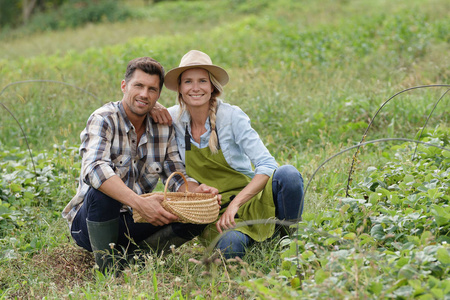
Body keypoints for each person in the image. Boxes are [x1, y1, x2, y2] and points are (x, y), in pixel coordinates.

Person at [62, 56, 219, 273]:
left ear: (158, 94)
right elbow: (94, 168)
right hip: (91, 222)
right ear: (124, 86)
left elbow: (176, 173)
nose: (145, 94)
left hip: (135, 219)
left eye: (152, 89)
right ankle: (108, 268)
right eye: (139, 86)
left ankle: (138, 259)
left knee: (197, 213)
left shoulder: (163, 128)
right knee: (104, 187)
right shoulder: (104, 119)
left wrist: (197, 192)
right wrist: (139, 202)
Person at [158, 50, 304, 259]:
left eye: (202, 81)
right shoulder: (172, 119)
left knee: (288, 175)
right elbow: (140, 106)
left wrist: (236, 204)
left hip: (251, 200)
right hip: (215, 214)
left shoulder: (231, 116)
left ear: (212, 87)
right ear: (180, 89)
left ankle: (287, 238)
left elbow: (267, 164)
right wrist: (154, 107)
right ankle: (248, 238)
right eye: (188, 82)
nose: (196, 88)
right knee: (230, 247)